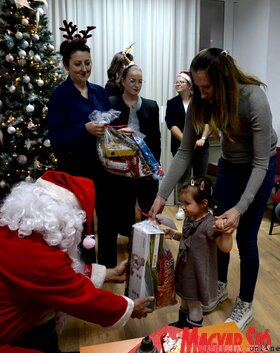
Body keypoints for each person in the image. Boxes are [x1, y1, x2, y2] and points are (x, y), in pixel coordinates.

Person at [149, 47, 278, 330]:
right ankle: (219, 285)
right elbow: (184, 153)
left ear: (224, 81)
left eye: (207, 87)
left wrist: (240, 208)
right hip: (230, 164)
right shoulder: (200, 100)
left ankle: (245, 303)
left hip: (260, 166)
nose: (202, 93)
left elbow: (259, 163)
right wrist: (161, 195)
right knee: (218, 226)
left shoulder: (253, 98)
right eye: (198, 86)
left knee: (244, 237)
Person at [0, 170, 154, 353]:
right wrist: (129, 308)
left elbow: (61, 275)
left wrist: (110, 274)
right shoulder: (42, 259)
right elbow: (83, 299)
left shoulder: (16, 231)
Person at [47, 21, 120, 267]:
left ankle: (109, 268)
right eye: (77, 64)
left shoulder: (99, 92)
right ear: (66, 65)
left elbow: (108, 126)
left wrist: (118, 134)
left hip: (105, 168)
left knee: (108, 218)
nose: (84, 68)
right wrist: (84, 130)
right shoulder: (59, 96)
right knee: (83, 223)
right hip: (77, 172)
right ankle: (88, 271)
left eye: (87, 63)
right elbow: (57, 139)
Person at [106, 64, 161, 266]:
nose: (137, 85)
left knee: (148, 205)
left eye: (140, 81)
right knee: (125, 206)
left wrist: (155, 166)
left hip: (145, 166)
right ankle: (131, 239)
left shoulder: (151, 105)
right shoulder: (111, 102)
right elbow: (107, 137)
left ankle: (147, 243)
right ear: (122, 81)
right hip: (121, 169)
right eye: (132, 80)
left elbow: (156, 138)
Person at [164, 177, 232, 329]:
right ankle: (182, 325)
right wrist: (174, 235)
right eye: (182, 203)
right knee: (185, 299)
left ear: (204, 203)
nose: (183, 207)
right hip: (185, 269)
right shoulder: (190, 217)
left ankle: (192, 334)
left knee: (194, 305)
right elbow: (190, 240)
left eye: (187, 203)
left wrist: (227, 233)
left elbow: (225, 248)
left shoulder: (210, 224)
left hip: (198, 273)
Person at [165, 71, 210, 220]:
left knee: (200, 177)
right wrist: (187, 140)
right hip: (181, 147)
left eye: (181, 82)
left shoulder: (201, 101)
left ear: (190, 85)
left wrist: (203, 137)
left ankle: (202, 206)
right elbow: (171, 125)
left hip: (201, 146)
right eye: (176, 82)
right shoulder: (172, 103)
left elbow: (208, 122)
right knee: (182, 178)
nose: (177, 84)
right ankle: (182, 206)